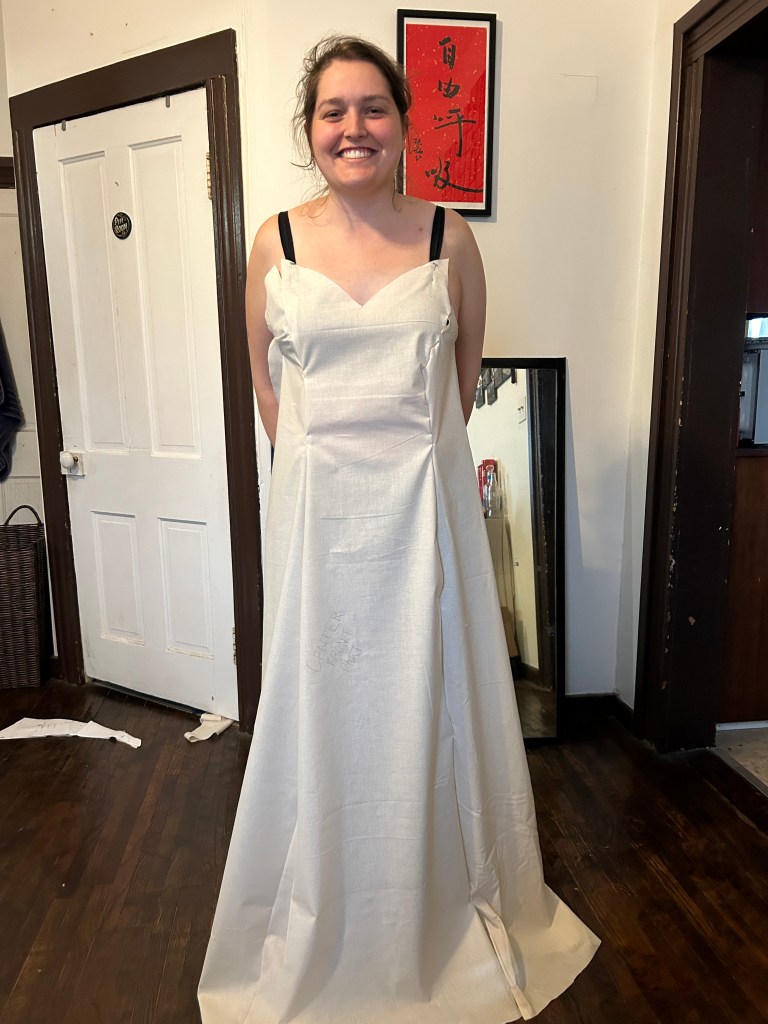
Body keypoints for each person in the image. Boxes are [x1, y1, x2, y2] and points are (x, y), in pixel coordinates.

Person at [198, 35, 599, 1024]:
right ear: (309, 129)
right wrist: (323, 470)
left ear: (405, 124)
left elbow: (461, 383)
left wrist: (407, 464)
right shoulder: (275, 243)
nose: (354, 128)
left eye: (373, 108)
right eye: (333, 111)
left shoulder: (448, 238)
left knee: (433, 691)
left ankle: (438, 897)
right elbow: (265, 384)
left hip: (426, 516)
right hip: (319, 524)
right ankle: (326, 898)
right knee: (323, 697)